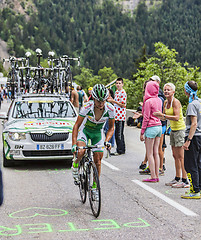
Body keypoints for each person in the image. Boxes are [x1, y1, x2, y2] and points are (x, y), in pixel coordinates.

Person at [71, 84, 115, 182]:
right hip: (85, 132)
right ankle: (76, 164)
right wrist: (74, 144)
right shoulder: (87, 107)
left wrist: (107, 141)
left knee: (98, 161)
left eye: (103, 100)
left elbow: (111, 128)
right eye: (98, 101)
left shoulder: (110, 109)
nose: (101, 103)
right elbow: (76, 126)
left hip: (97, 134)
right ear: (94, 99)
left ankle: (95, 186)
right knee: (81, 151)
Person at [154, 83, 189, 187]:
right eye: (165, 90)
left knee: (181, 156)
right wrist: (157, 115)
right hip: (173, 130)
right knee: (175, 155)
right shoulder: (165, 102)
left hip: (180, 130)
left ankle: (185, 179)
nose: (166, 91)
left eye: (168, 90)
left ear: (173, 92)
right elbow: (165, 118)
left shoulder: (176, 102)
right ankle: (177, 178)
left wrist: (163, 115)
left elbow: (177, 117)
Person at [181, 81, 201, 199]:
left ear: (187, 90)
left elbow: (193, 124)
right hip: (200, 136)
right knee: (199, 163)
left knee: (190, 164)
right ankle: (199, 188)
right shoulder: (200, 102)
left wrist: (188, 140)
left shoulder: (192, 105)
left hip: (193, 137)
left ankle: (194, 190)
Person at [140, 80, 162, 182]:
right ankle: (157, 174)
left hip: (151, 128)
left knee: (149, 153)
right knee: (156, 152)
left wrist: (142, 132)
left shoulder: (148, 101)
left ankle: (153, 176)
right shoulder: (159, 100)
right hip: (159, 127)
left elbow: (146, 118)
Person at [108, 77, 127, 155]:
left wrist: (113, 101)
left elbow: (123, 104)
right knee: (118, 133)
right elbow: (116, 104)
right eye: (117, 83)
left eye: (119, 83)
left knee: (119, 134)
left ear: (122, 84)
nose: (118, 85)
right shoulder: (116, 92)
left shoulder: (123, 93)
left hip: (120, 116)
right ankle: (120, 148)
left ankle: (120, 150)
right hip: (116, 115)